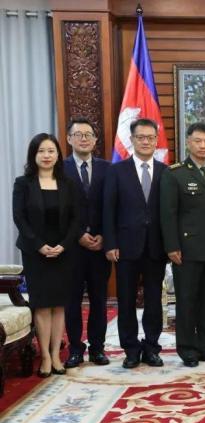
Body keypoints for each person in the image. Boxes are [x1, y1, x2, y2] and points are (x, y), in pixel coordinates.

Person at [161, 122, 205, 367]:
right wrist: (172, 246)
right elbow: (168, 214)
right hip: (187, 249)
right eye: (198, 141)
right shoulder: (175, 173)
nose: (203, 146)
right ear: (188, 142)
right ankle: (188, 349)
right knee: (187, 300)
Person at [13, 133, 80, 377]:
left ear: (58, 155)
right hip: (35, 252)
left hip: (63, 252)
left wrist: (64, 245)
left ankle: (56, 354)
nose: (46, 155)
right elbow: (19, 218)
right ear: (34, 155)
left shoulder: (68, 183)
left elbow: (76, 218)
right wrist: (39, 245)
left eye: (51, 151)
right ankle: (45, 357)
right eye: (41, 151)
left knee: (59, 305)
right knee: (42, 305)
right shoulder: (23, 183)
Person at [103, 118, 168, 369]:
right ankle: (130, 349)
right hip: (125, 247)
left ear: (156, 140)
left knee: (154, 300)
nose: (145, 142)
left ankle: (151, 348)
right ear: (131, 140)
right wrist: (110, 243)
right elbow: (108, 210)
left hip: (156, 247)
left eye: (150, 137)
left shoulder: (165, 171)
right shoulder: (116, 171)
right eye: (140, 137)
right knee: (126, 301)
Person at [63, 118, 112, 368]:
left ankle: (97, 348)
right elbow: (59, 212)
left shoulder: (108, 168)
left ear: (95, 140)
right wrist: (78, 235)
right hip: (71, 247)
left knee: (99, 300)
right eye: (78, 134)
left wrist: (104, 235)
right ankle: (75, 349)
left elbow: (112, 206)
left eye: (88, 135)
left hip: (99, 247)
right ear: (69, 139)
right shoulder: (59, 169)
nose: (84, 139)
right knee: (72, 301)